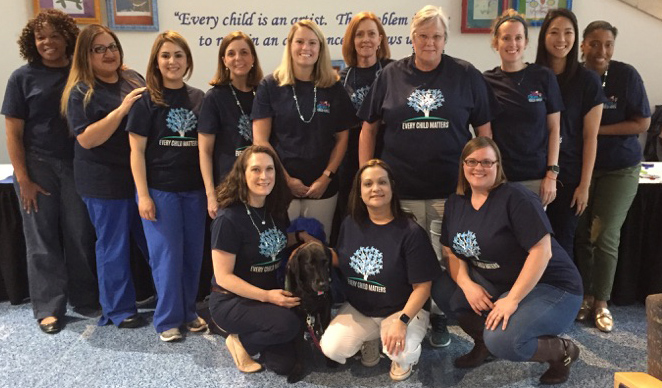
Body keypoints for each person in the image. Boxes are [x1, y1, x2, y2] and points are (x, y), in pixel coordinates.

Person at [357, 4, 493, 348]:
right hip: (399, 190)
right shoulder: (390, 76)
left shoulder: (465, 74)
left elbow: (484, 131)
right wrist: (366, 174)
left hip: (450, 190)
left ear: (445, 39)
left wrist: (485, 178)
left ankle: (439, 319)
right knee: (403, 258)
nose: (429, 42)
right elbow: (368, 129)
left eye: (436, 36)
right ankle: (404, 317)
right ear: (411, 38)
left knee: (445, 258)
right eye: (422, 36)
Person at [431, 137, 582, 385]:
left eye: (487, 162)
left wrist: (512, 300)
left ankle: (562, 351)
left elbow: (542, 252)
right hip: (499, 281)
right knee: (443, 287)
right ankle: (483, 345)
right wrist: (467, 285)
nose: (478, 168)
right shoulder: (456, 203)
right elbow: (450, 251)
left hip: (552, 286)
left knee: (504, 340)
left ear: (498, 166)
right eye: (472, 161)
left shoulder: (516, 198)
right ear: (463, 165)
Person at [2, 9, 98, 334]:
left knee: (80, 234)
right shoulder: (21, 78)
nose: (47, 42)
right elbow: (13, 133)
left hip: (76, 165)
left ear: (67, 38)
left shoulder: (80, 72)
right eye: (40, 37)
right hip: (37, 166)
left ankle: (84, 300)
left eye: (54, 35)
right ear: (32, 42)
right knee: (41, 240)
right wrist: (23, 179)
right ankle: (49, 308)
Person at [320, 159, 441, 381]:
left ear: (392, 187)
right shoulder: (350, 223)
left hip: (401, 310)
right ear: (359, 191)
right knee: (332, 348)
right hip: (361, 308)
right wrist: (314, 250)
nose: (375, 188)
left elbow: (423, 288)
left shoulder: (411, 232)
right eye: (368, 184)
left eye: (382, 182)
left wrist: (402, 321)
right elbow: (343, 259)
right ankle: (371, 337)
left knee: (402, 353)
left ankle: (404, 341)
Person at [61, 24, 148, 330]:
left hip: (140, 178)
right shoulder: (80, 91)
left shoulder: (133, 78)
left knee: (152, 242)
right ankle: (119, 309)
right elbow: (87, 138)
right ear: (86, 55)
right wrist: (122, 109)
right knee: (113, 247)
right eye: (100, 49)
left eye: (112, 46)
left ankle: (166, 298)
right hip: (103, 182)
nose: (109, 53)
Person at [126, 31, 207, 342]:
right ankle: (167, 320)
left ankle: (188, 312)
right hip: (160, 191)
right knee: (167, 257)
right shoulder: (146, 101)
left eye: (178, 55)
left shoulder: (199, 98)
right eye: (166, 56)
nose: (172, 61)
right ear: (156, 62)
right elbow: (137, 152)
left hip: (194, 191)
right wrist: (143, 195)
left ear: (187, 61)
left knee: (191, 256)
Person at [209, 145, 317, 376]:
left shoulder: (275, 208)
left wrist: (298, 237)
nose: (264, 176)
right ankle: (238, 342)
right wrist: (268, 297)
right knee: (287, 325)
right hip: (232, 299)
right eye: (255, 169)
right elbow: (224, 277)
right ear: (242, 174)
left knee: (285, 365)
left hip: (266, 294)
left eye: (269, 169)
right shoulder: (228, 219)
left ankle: (260, 338)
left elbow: (269, 241)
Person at [574, 20, 651, 332]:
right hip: (580, 168)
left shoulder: (626, 75)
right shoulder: (574, 76)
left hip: (620, 168)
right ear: (583, 46)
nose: (600, 51)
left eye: (607, 44)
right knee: (581, 234)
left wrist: (595, 131)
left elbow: (642, 122)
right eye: (594, 43)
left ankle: (602, 302)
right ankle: (585, 297)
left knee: (604, 234)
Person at [252, 20, 357, 240]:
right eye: (299, 41)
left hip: (323, 189)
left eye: (312, 43)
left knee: (316, 252)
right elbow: (260, 140)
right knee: (280, 249)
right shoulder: (270, 86)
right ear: (290, 46)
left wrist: (326, 177)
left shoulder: (334, 87)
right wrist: (286, 179)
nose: (305, 48)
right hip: (280, 185)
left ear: (320, 49)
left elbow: (342, 139)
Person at [535, 9, 604, 262]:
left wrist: (584, 186)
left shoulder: (587, 81)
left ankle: (563, 299)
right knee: (529, 244)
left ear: (577, 38)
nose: (561, 39)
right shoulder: (532, 75)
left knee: (562, 244)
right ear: (544, 37)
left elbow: (590, 138)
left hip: (569, 176)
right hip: (531, 173)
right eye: (554, 32)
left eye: (568, 32)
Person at [484, 9, 563, 205]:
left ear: (526, 42)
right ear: (496, 43)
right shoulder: (486, 81)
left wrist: (551, 175)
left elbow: (554, 129)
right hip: (501, 179)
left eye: (518, 38)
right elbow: (485, 135)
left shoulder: (544, 77)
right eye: (506, 38)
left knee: (535, 235)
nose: (513, 44)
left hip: (537, 179)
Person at [332, 12, 394, 244]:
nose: (365, 39)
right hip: (349, 159)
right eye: (359, 35)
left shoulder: (393, 72)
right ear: (351, 41)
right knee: (353, 213)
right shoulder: (340, 79)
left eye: (371, 34)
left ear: (380, 39)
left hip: (387, 152)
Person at [198, 31, 264, 219]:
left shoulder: (263, 93)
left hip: (261, 185)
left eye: (244, 52)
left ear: (252, 57)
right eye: (231, 53)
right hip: (228, 187)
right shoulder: (214, 97)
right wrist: (211, 195)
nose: (238, 58)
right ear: (224, 60)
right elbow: (205, 151)